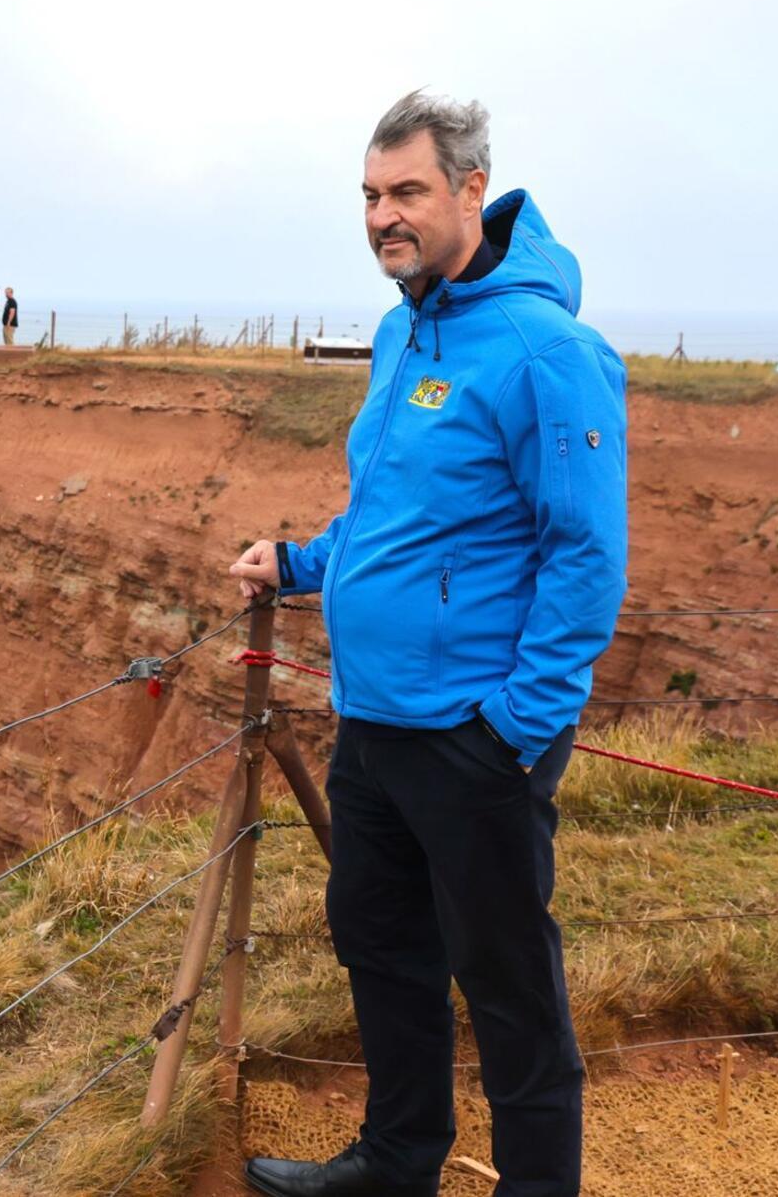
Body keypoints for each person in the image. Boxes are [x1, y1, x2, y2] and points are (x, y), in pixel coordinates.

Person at [230, 90, 627, 1197]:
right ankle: (398, 1161)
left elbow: (584, 554)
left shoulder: (549, 351)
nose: (381, 215)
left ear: (468, 190)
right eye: (367, 194)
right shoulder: (405, 328)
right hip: (375, 718)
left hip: (473, 733)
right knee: (378, 947)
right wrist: (302, 561)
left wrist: (517, 727)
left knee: (505, 983)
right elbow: (397, 508)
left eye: (405, 191)